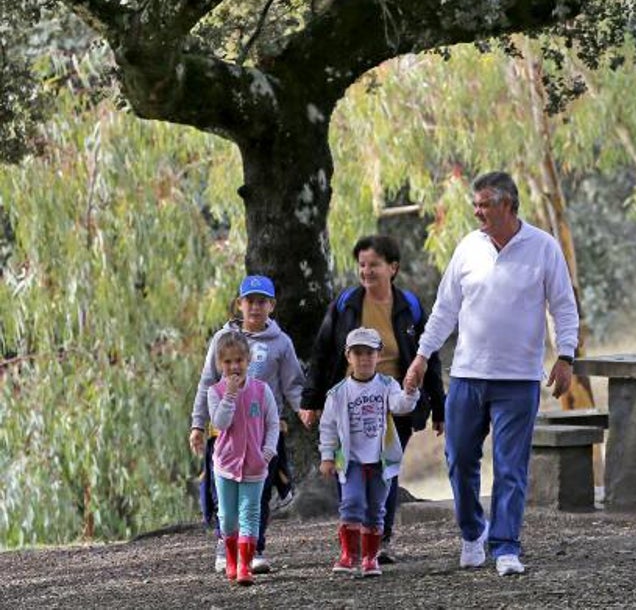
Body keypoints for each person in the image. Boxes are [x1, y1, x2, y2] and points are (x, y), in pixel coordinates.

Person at [404, 171, 577, 577]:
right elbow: (444, 309)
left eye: (484, 204)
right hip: (467, 376)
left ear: (508, 205)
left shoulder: (543, 247)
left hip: (518, 379)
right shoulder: (468, 248)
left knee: (510, 466)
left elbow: (563, 307)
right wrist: (422, 355)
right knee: (459, 457)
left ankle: (506, 546)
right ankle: (472, 533)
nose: (477, 211)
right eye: (475, 204)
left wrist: (566, 356)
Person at [300, 234, 444, 563]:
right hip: (349, 399)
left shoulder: (410, 306)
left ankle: (380, 540)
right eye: (362, 265)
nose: (366, 271)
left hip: (395, 402)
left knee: (386, 469)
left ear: (392, 268)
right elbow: (323, 353)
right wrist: (312, 399)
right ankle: (352, 536)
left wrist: (439, 405)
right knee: (348, 467)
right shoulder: (346, 304)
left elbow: (429, 357)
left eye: (374, 265)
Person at [188, 275, 304, 574]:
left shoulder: (281, 343)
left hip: (263, 430)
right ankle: (223, 545)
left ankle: (255, 548)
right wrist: (198, 424)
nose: (255, 307)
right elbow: (206, 384)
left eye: (261, 301)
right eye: (249, 301)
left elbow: (292, 384)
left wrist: (303, 409)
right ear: (239, 304)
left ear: (271, 306)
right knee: (223, 491)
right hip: (225, 431)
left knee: (259, 492)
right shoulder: (222, 340)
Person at [318, 327, 422, 577]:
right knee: (351, 503)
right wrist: (327, 456)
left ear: (378, 355)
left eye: (369, 353)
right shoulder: (338, 393)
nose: (364, 359)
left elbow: (400, 406)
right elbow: (328, 427)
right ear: (348, 356)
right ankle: (349, 554)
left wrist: (410, 391)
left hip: (380, 460)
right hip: (351, 459)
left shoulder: (387, 385)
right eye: (358, 353)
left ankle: (369, 557)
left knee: (376, 508)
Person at [206, 330, 280, 586]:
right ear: (220, 364)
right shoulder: (214, 392)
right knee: (227, 516)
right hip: (225, 465)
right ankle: (231, 559)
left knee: (250, 513)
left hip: (255, 465)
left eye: (239, 360)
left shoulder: (262, 390)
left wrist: (268, 452)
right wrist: (230, 394)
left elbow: (272, 423)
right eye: (227, 362)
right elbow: (220, 423)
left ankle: (245, 567)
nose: (234, 366)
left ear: (248, 360)